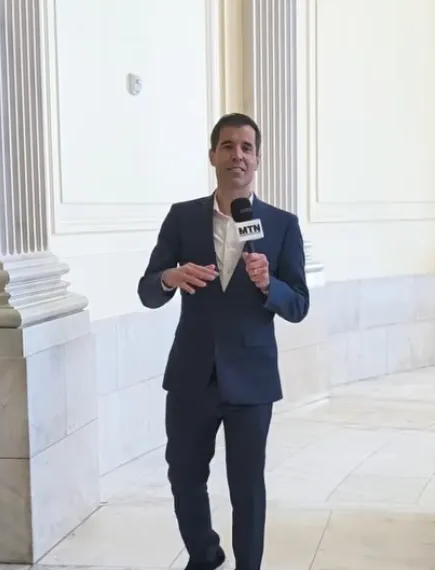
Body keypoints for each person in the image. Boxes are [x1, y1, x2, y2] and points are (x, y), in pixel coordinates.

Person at [137, 113, 309, 570]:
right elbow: (147, 290)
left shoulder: (282, 225)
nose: (238, 155)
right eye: (228, 146)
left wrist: (270, 285)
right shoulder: (182, 218)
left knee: (247, 487)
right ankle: (205, 553)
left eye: (247, 147)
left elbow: (298, 304)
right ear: (213, 155)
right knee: (184, 476)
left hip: (251, 379)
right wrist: (170, 277)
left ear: (258, 159)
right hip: (192, 375)